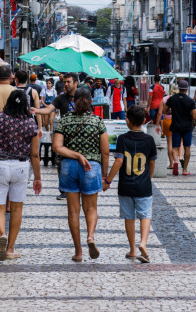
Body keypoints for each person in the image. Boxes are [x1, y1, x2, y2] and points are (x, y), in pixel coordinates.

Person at [0, 89, 42, 260]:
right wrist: (37, 178)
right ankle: (10, 249)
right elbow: (35, 155)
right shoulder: (30, 124)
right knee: (16, 209)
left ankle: (2, 234)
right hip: (21, 167)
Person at [53, 88, 110, 262]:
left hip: (69, 167)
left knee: (73, 212)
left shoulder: (64, 120)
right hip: (91, 168)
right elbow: (105, 152)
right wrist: (105, 176)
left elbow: (57, 146)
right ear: (91, 101)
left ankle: (78, 252)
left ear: (73, 101)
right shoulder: (97, 121)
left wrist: (76, 155)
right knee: (91, 208)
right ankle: (90, 236)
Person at [102, 106, 156, 263]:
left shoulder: (122, 139)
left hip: (125, 185)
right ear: (144, 121)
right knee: (145, 214)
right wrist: (149, 178)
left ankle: (132, 249)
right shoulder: (149, 140)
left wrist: (108, 180)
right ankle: (143, 243)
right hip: (143, 185)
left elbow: (119, 161)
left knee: (129, 217)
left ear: (128, 121)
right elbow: (152, 163)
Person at [35, 73, 78, 200]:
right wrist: (36, 110)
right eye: (65, 82)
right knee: (61, 162)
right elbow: (49, 110)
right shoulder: (60, 98)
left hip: (79, 136)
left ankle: (78, 187)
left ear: (76, 83)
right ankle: (64, 190)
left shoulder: (83, 96)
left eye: (68, 82)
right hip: (64, 135)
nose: (65, 84)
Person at [164, 80, 196, 176]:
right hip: (187, 127)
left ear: (179, 88)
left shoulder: (172, 99)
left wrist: (172, 112)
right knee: (187, 147)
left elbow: (164, 110)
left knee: (175, 147)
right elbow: (195, 116)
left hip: (175, 126)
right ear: (187, 89)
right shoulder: (190, 101)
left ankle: (175, 161)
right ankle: (185, 170)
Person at [156, 86, 179, 173]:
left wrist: (158, 125)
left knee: (169, 143)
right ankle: (177, 159)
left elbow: (159, 113)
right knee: (176, 143)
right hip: (177, 121)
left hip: (166, 121)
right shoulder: (177, 99)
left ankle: (171, 163)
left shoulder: (165, 99)